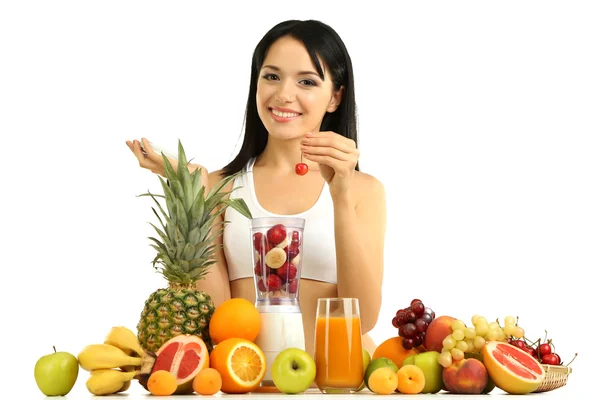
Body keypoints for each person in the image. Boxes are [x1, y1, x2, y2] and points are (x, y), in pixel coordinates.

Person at [126, 19, 386, 354]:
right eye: (272, 76)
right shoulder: (221, 187)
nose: (284, 94)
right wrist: (192, 189)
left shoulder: (364, 191)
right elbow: (217, 320)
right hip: (249, 381)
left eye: (306, 81)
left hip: (340, 383)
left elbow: (362, 317)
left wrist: (341, 196)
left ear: (335, 97)